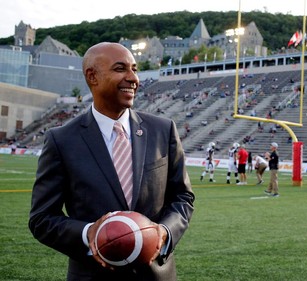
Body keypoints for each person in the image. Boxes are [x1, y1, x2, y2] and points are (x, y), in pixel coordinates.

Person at [29, 42, 195, 281]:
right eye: (120, 69)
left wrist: (164, 233)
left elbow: (183, 197)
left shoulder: (163, 130)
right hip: (92, 275)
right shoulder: (61, 140)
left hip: (156, 275)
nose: (133, 78)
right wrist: (91, 235)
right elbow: (42, 219)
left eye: (134, 69)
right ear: (92, 76)